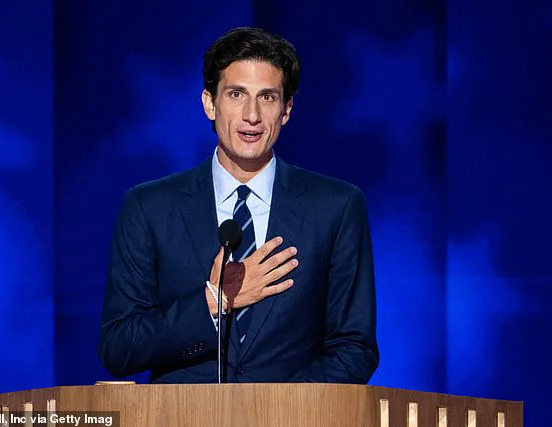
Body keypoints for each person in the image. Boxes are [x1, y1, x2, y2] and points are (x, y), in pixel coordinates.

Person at [98, 27, 379, 383]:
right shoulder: (148, 207)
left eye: (267, 97)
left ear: (286, 109)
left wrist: (280, 410)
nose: (252, 115)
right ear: (210, 104)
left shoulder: (337, 206)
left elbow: (355, 348)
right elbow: (118, 347)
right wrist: (214, 302)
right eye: (236, 94)